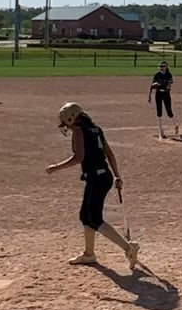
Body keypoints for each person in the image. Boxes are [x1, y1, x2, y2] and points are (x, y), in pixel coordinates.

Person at [46, 102, 138, 269]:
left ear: (71, 118)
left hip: (96, 179)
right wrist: (117, 175)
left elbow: (79, 157)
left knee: (94, 219)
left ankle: (128, 248)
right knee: (85, 216)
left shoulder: (78, 131)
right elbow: (109, 153)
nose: (66, 126)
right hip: (103, 176)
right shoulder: (96, 129)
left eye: (66, 122)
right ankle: (89, 254)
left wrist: (56, 167)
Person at [149, 60, 177, 138]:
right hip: (158, 94)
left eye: (163, 66)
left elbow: (169, 86)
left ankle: (175, 124)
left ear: (166, 67)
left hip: (166, 94)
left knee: (169, 112)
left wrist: (160, 85)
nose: (161, 68)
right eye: (160, 66)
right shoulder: (157, 75)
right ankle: (161, 131)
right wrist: (155, 85)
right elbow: (153, 84)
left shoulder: (169, 75)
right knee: (159, 112)